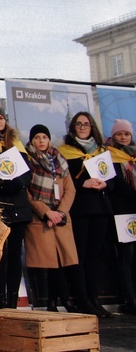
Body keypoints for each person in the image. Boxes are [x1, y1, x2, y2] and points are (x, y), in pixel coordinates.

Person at [24, 125, 96, 315]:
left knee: (62, 262)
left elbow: (70, 190)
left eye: (44, 137)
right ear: (32, 141)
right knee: (46, 264)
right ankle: (48, 302)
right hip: (40, 218)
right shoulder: (27, 161)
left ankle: (64, 301)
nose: (41, 140)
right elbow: (27, 193)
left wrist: (61, 213)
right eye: (37, 137)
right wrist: (47, 212)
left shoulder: (59, 160)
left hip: (61, 219)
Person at [59, 111, 115, 318]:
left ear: (92, 127)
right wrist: (82, 183)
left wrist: (105, 183)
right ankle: (82, 300)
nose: (83, 127)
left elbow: (114, 180)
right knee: (79, 256)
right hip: (80, 209)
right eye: (79, 124)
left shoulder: (102, 152)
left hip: (101, 209)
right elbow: (62, 180)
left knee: (95, 256)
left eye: (87, 124)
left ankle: (94, 299)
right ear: (73, 127)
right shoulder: (65, 152)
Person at [0, 106, 32, 309]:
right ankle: (0, 300)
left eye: (1, 117)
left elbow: (27, 172)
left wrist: (18, 183)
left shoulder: (16, 144)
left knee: (14, 256)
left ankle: (12, 301)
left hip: (18, 205)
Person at [106, 119, 136, 314]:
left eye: (126, 134)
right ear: (113, 136)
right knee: (126, 257)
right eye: (119, 134)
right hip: (123, 213)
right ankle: (129, 299)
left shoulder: (133, 156)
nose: (123, 137)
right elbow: (117, 184)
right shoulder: (110, 156)